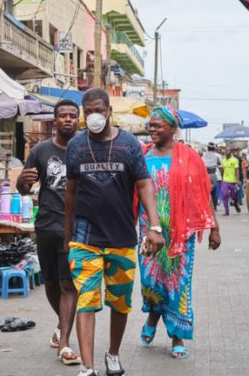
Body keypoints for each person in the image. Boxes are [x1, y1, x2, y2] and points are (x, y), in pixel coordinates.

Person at [64, 88, 164, 376]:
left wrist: (154, 226)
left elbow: (145, 185)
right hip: (84, 239)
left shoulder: (129, 144)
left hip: (121, 238)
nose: (93, 116)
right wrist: (67, 236)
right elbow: (70, 193)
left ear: (109, 111)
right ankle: (87, 367)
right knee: (87, 299)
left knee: (120, 302)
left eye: (98, 110)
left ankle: (113, 353)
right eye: (88, 111)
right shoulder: (76, 146)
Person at [138, 106, 220, 359]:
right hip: (148, 230)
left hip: (180, 233)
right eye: (150, 125)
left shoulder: (189, 157)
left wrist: (214, 228)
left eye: (158, 126)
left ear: (173, 129)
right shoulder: (141, 155)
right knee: (151, 282)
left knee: (178, 285)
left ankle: (177, 336)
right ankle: (153, 316)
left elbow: (202, 195)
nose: (152, 129)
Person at [17, 99, 81, 366]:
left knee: (69, 285)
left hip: (76, 228)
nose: (68, 119)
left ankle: (64, 342)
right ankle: (61, 324)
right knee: (52, 284)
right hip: (46, 224)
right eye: (63, 115)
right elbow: (23, 187)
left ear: (79, 120)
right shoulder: (41, 150)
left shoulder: (85, 148)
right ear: (55, 120)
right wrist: (23, 180)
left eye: (72, 116)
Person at [202, 143, 222, 210]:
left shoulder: (204, 155)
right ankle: (214, 206)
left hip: (205, 174)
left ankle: (207, 206)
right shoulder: (217, 155)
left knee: (206, 190)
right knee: (214, 191)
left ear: (208, 148)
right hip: (213, 174)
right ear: (214, 148)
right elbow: (220, 164)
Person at [220, 149, 241, 216]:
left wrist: (237, 180)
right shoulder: (223, 160)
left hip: (233, 181)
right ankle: (226, 211)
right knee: (224, 195)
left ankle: (235, 203)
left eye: (228, 151)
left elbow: (237, 171)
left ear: (230, 152)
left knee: (234, 196)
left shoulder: (234, 160)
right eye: (225, 151)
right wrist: (221, 179)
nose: (226, 152)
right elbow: (222, 170)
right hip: (225, 180)